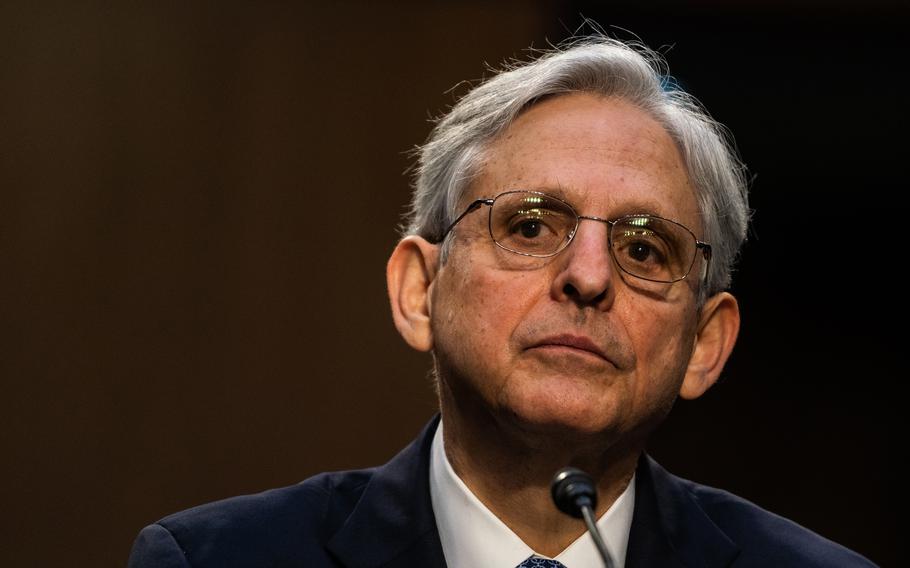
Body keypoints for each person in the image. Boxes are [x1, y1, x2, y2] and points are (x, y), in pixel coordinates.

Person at [128, 37, 876, 567]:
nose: (589, 277)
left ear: (706, 344)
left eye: (645, 248)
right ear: (419, 290)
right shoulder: (216, 559)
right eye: (529, 225)